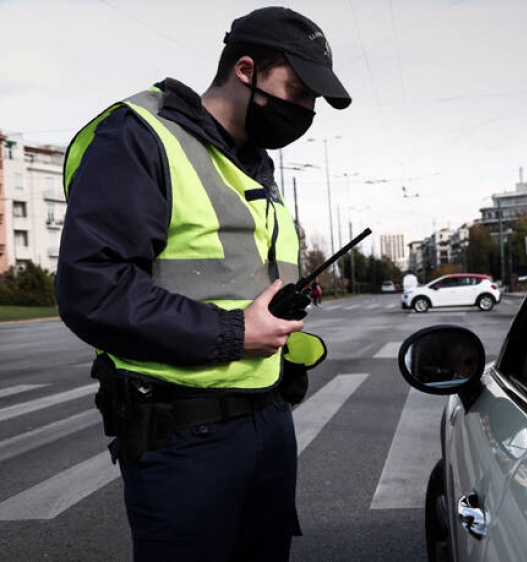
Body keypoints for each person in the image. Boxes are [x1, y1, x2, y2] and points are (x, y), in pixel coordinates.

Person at [56, 7, 349, 561]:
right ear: (246, 69)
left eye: (313, 100)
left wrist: (281, 347)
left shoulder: (252, 162)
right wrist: (235, 332)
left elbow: (236, 280)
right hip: (183, 435)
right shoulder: (141, 136)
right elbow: (93, 289)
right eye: (297, 91)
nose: (306, 110)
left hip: (267, 422)